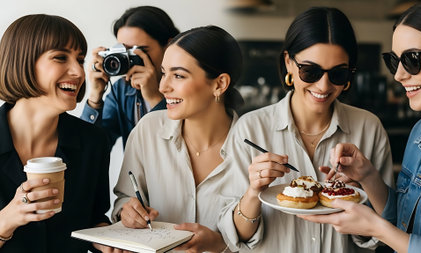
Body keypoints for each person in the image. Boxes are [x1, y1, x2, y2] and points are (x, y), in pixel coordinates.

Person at [217, 7, 395, 253]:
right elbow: (235, 236)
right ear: (289, 62)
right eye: (310, 71)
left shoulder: (369, 128)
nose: (323, 85)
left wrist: (365, 182)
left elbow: (388, 233)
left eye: (338, 73)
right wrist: (253, 191)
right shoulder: (250, 129)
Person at [299, 1, 421, 252]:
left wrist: (377, 229)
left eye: (412, 59)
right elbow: (403, 223)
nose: (398, 75)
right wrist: (368, 176)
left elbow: (390, 233)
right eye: (395, 61)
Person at [112, 25, 244, 252]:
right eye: (164, 73)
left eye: (179, 75)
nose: (163, 86)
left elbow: (274, 238)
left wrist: (221, 245)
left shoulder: (254, 147)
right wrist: (127, 211)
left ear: (219, 84)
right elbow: (124, 199)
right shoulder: (148, 129)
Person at [0, 14, 111, 252]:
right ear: (23, 62)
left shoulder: (93, 142)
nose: (79, 72)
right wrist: (6, 221)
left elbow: (94, 219)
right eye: (60, 57)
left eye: (79, 60)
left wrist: (107, 241)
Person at [81, 6, 179, 150]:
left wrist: (154, 98)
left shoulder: (187, 84)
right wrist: (95, 97)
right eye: (125, 51)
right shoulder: (122, 90)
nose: (131, 59)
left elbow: (186, 145)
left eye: (140, 51)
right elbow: (91, 149)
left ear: (169, 46)